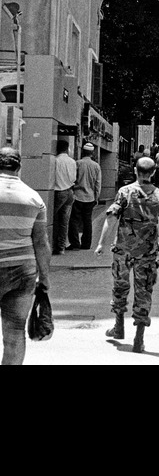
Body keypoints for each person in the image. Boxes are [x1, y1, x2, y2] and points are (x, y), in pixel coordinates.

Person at [95, 156, 159, 354]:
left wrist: (101, 243)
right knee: (143, 291)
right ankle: (139, 338)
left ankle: (118, 326)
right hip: (147, 252)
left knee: (120, 287)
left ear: (135, 171)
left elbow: (111, 217)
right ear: (153, 172)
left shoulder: (125, 192)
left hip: (123, 250)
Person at [0, 147, 51, 365]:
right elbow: (41, 241)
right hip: (22, 271)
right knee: (14, 333)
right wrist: (45, 277)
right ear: (19, 166)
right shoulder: (33, 197)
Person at [67, 142, 102, 250]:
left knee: (74, 220)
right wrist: (96, 197)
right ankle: (86, 244)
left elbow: (72, 179)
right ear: (92, 153)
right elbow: (98, 183)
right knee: (87, 221)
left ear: (83, 151)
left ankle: (75, 243)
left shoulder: (77, 163)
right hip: (90, 197)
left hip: (77, 196)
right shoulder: (96, 166)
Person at [52, 139, 77, 255]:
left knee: (51, 219)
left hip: (59, 192)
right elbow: (73, 178)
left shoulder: (55, 161)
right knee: (64, 222)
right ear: (67, 148)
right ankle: (61, 247)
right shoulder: (72, 162)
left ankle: (51, 244)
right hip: (70, 192)